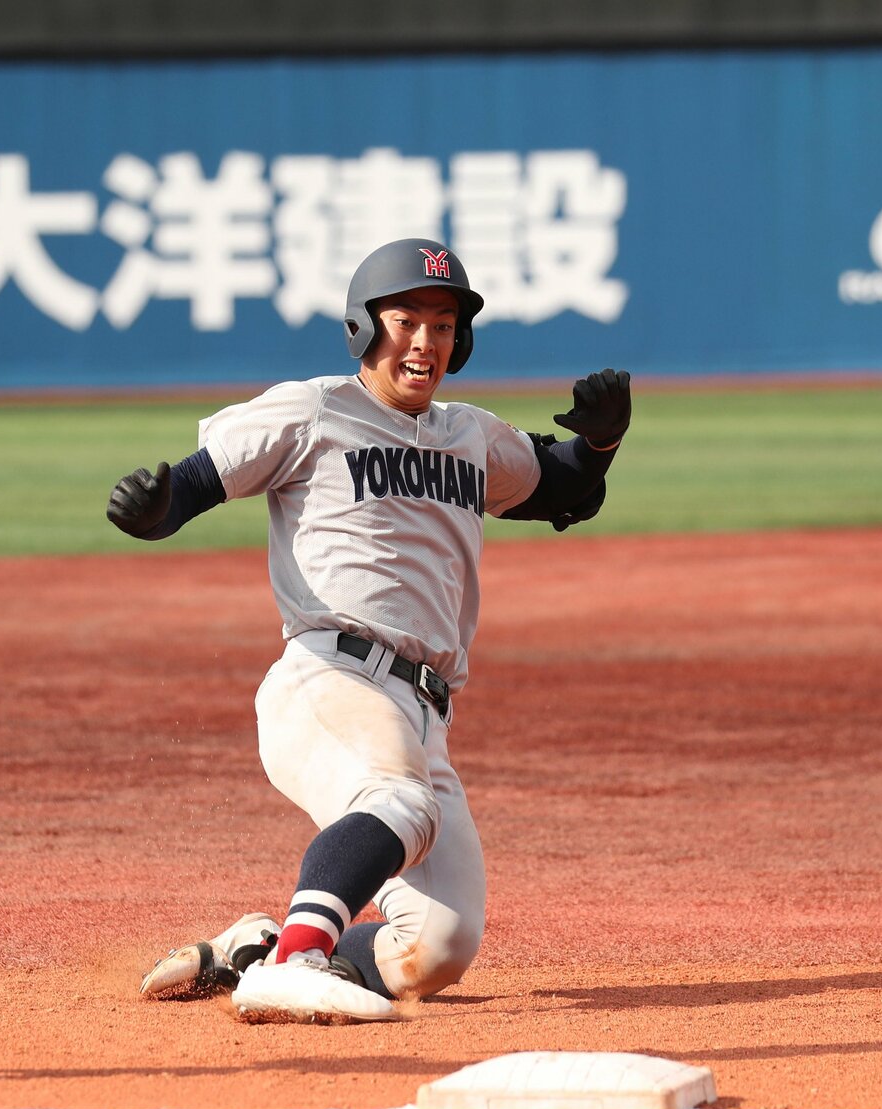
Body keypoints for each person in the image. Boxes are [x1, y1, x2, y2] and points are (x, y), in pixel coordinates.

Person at [108, 238, 631, 1022]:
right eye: (407, 318)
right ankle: (298, 958)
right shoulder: (315, 409)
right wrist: (158, 511)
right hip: (331, 679)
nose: (426, 341)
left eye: (445, 323)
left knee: (440, 944)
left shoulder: (470, 435)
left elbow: (563, 492)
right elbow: (194, 484)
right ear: (363, 328)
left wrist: (600, 443)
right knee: (399, 801)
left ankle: (256, 949)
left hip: (425, 713)